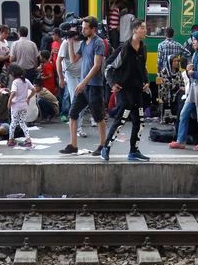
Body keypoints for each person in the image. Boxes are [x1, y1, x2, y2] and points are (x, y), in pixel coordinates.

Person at [102, 19, 150, 162]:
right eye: (142, 28)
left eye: (145, 28)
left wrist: (146, 81)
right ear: (135, 30)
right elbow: (108, 66)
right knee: (121, 120)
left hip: (138, 90)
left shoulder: (143, 48)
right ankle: (106, 148)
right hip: (124, 90)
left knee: (139, 122)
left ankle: (133, 151)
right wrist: (112, 83)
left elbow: (143, 67)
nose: (145, 30)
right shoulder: (124, 48)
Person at [60, 17, 107, 156]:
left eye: (86, 28)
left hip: (94, 86)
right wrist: (69, 42)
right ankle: (73, 145)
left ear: (93, 29)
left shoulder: (98, 42)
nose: (83, 30)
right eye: (82, 28)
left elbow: (97, 66)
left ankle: (103, 145)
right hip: (84, 85)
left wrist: (83, 82)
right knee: (72, 113)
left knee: (98, 116)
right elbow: (73, 59)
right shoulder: (84, 43)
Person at [169, 30, 198, 152]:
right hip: (194, 90)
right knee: (184, 114)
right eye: (192, 40)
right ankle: (180, 141)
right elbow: (192, 74)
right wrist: (189, 71)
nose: (193, 42)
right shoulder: (195, 54)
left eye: (195, 40)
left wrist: (192, 73)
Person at [6, 64, 35, 148]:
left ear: (12, 74)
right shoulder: (26, 81)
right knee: (22, 123)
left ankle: (11, 140)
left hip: (16, 106)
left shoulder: (15, 82)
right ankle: (28, 140)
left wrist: (9, 100)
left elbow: (14, 92)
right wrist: (28, 98)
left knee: (13, 123)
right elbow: (33, 90)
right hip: (24, 105)